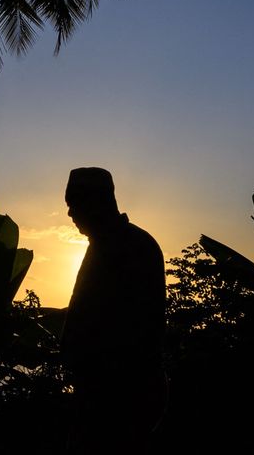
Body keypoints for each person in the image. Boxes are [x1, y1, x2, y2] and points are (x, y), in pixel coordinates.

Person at [61, 167, 167, 452]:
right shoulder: (111, 245)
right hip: (112, 390)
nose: (70, 215)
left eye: (73, 205)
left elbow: (131, 323)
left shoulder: (127, 247)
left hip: (119, 393)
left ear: (94, 203)